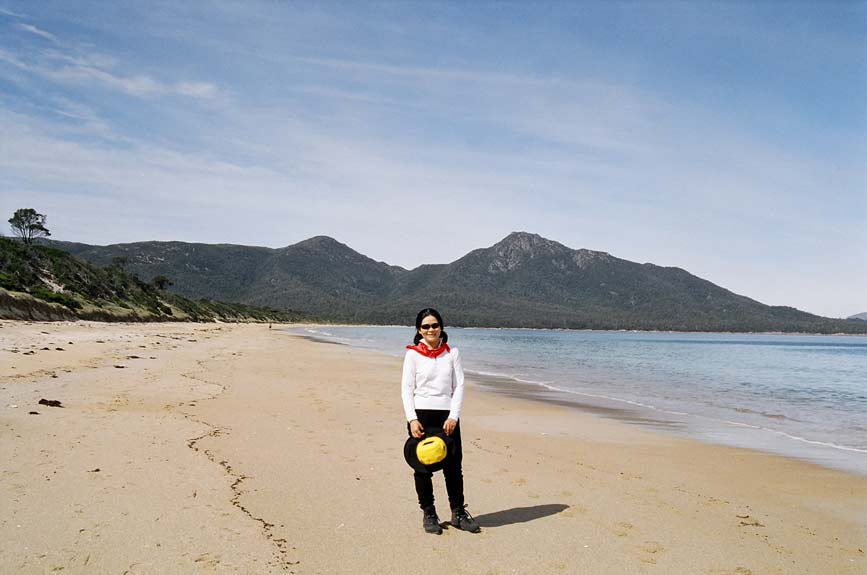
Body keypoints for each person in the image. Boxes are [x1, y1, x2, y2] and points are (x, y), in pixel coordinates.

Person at [401, 308, 480, 534]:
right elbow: (407, 389)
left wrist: (453, 415)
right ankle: (429, 513)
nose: (431, 329)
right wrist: (412, 419)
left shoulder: (452, 353)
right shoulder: (413, 354)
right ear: (419, 330)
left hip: (447, 417)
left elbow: (459, 386)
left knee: (453, 468)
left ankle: (458, 513)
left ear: (441, 327)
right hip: (421, 417)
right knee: (422, 467)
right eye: (425, 326)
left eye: (434, 325)